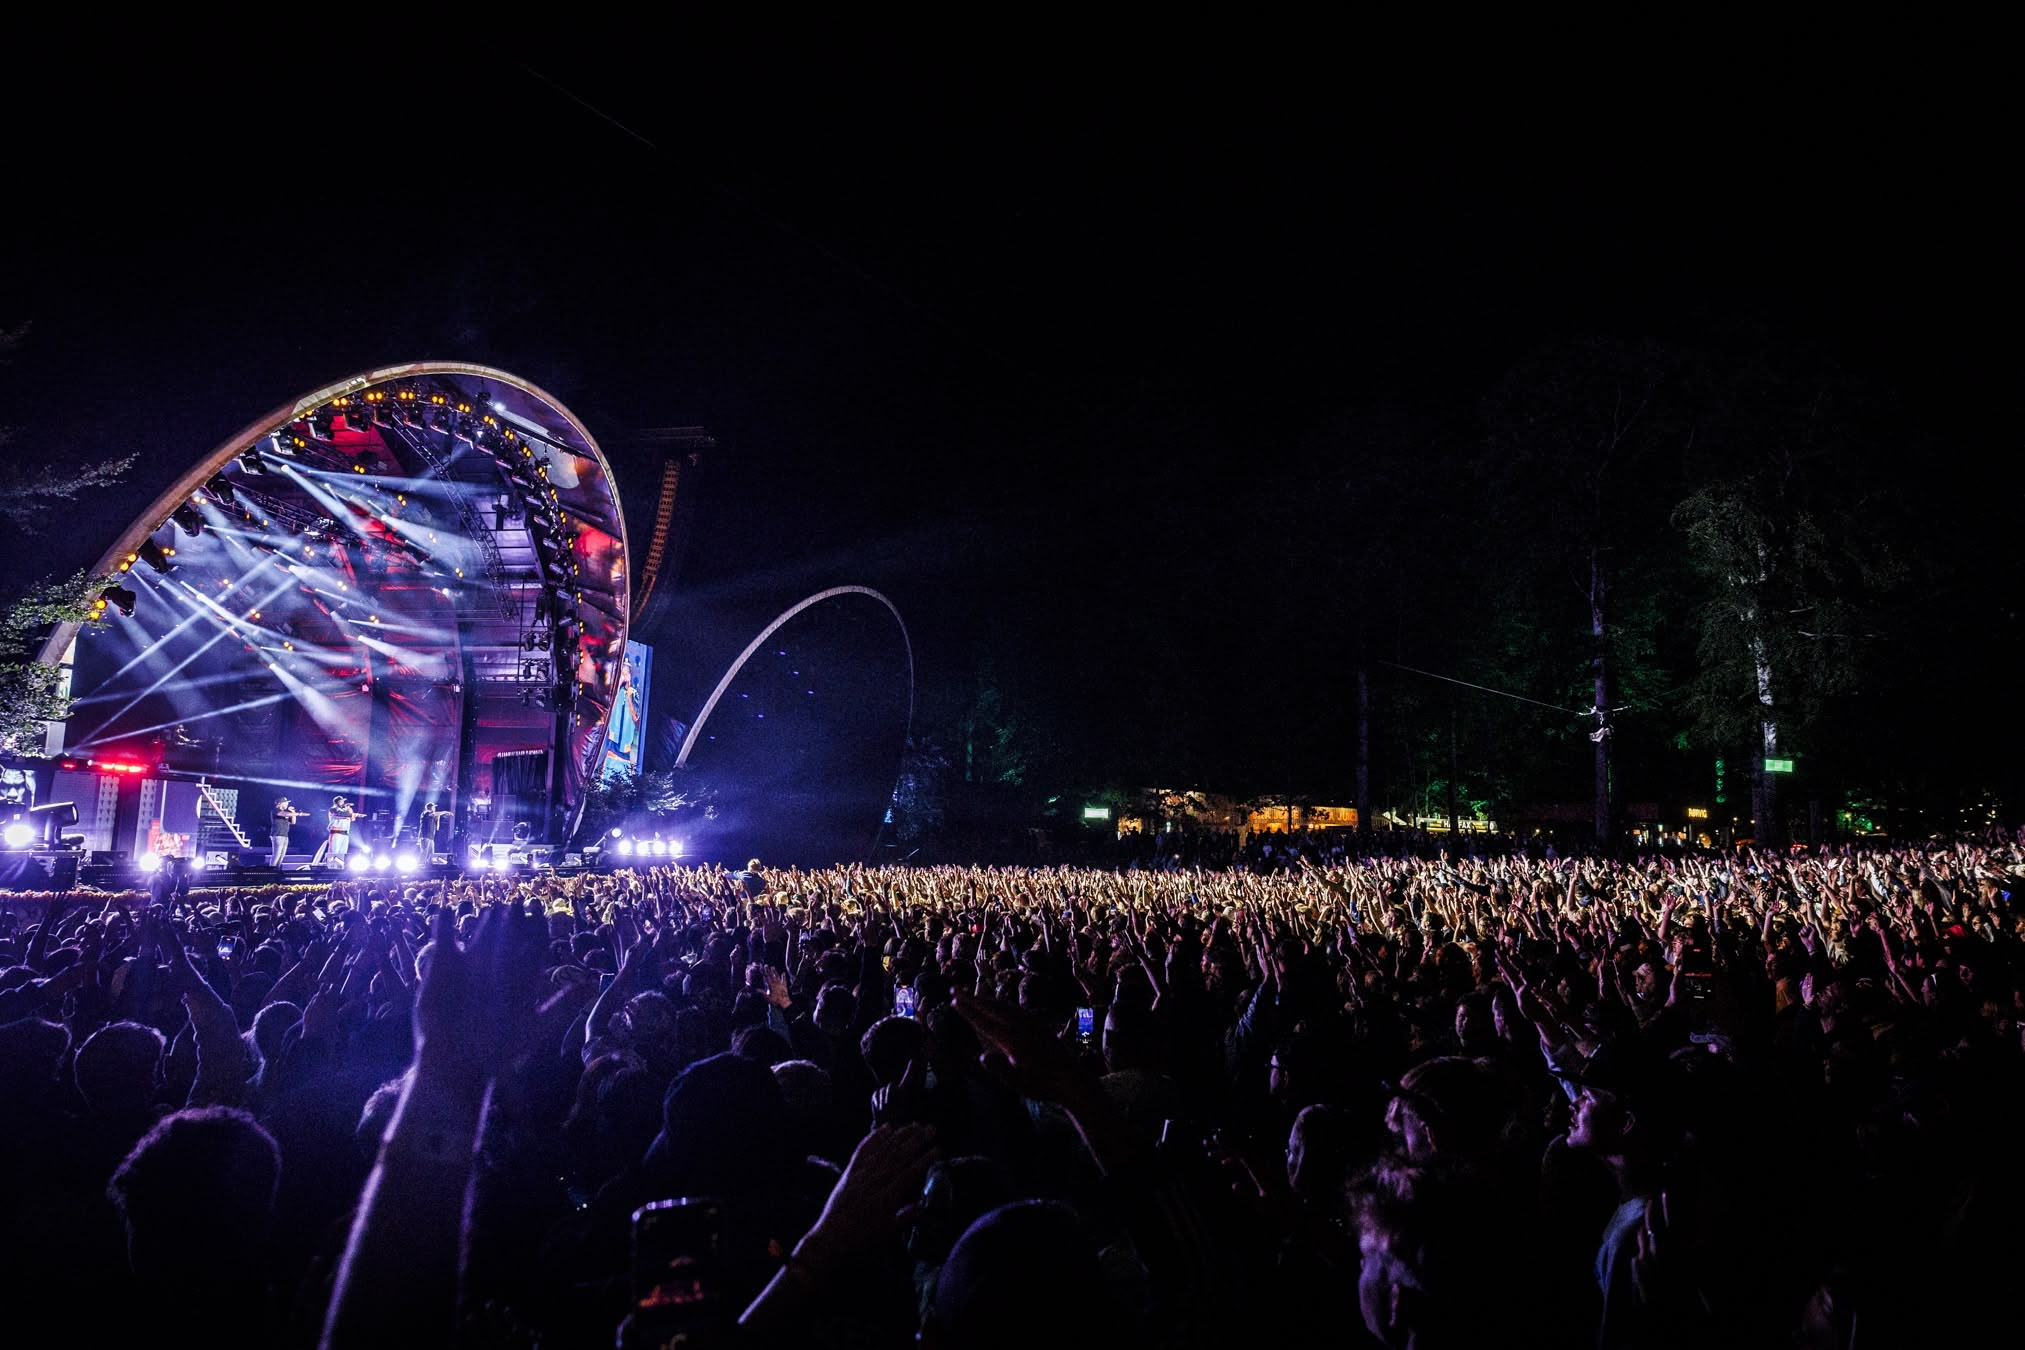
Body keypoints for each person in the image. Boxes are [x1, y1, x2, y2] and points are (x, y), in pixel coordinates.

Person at [269, 797, 305, 868]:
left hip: (285, 836)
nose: (287, 804)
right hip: (277, 836)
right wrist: (299, 814)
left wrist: (293, 812)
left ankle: (277, 871)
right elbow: (284, 814)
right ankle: (271, 871)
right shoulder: (275, 810)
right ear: (280, 803)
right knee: (276, 855)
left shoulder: (286, 813)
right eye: (285, 803)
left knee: (281, 856)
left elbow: (293, 822)